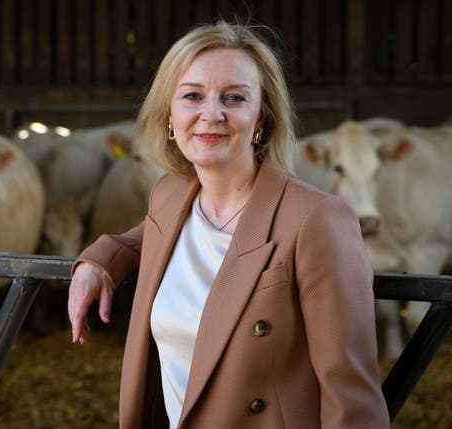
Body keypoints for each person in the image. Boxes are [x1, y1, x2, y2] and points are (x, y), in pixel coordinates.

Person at [68, 20, 390, 429]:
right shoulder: (169, 196)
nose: (211, 114)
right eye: (192, 96)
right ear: (169, 115)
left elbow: (352, 399)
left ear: (262, 119)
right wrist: (100, 260)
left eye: (234, 97)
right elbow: (147, 240)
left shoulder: (318, 219)